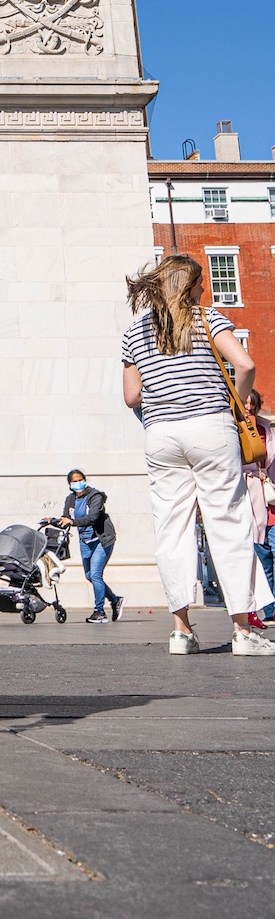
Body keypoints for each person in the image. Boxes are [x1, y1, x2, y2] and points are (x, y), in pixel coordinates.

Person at [122, 254, 275, 656]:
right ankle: (243, 630)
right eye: (199, 282)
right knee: (228, 521)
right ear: (186, 285)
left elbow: (131, 396)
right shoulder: (205, 317)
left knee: (171, 529)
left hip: (161, 435)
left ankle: (181, 631)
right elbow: (245, 364)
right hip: (209, 425)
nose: (203, 289)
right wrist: (236, 403)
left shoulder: (136, 330)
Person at [59, 469, 123, 623]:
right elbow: (66, 518)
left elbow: (92, 518)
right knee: (89, 576)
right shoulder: (70, 499)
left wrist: (72, 522)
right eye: (74, 481)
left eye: (80, 480)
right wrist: (52, 521)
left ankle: (99, 612)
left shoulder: (96, 497)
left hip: (101, 540)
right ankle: (115, 600)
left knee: (95, 575)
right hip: (85, 541)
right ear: (69, 484)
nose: (78, 483)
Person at [244, 392, 275, 626]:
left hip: (266, 491)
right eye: (245, 402)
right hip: (245, 490)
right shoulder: (232, 427)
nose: (247, 406)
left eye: (251, 403)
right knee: (258, 552)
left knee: (265, 549)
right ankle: (262, 607)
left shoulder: (266, 429)